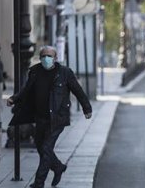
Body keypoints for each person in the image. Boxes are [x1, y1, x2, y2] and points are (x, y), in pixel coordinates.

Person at [7, 46, 92, 188]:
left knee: (46, 148)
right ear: (40, 58)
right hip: (40, 117)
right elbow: (26, 90)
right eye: (44, 56)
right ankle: (58, 167)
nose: (46, 58)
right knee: (40, 147)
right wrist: (14, 99)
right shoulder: (35, 72)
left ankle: (39, 183)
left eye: (49, 56)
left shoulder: (64, 73)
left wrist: (86, 108)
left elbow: (78, 90)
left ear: (55, 58)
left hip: (58, 118)